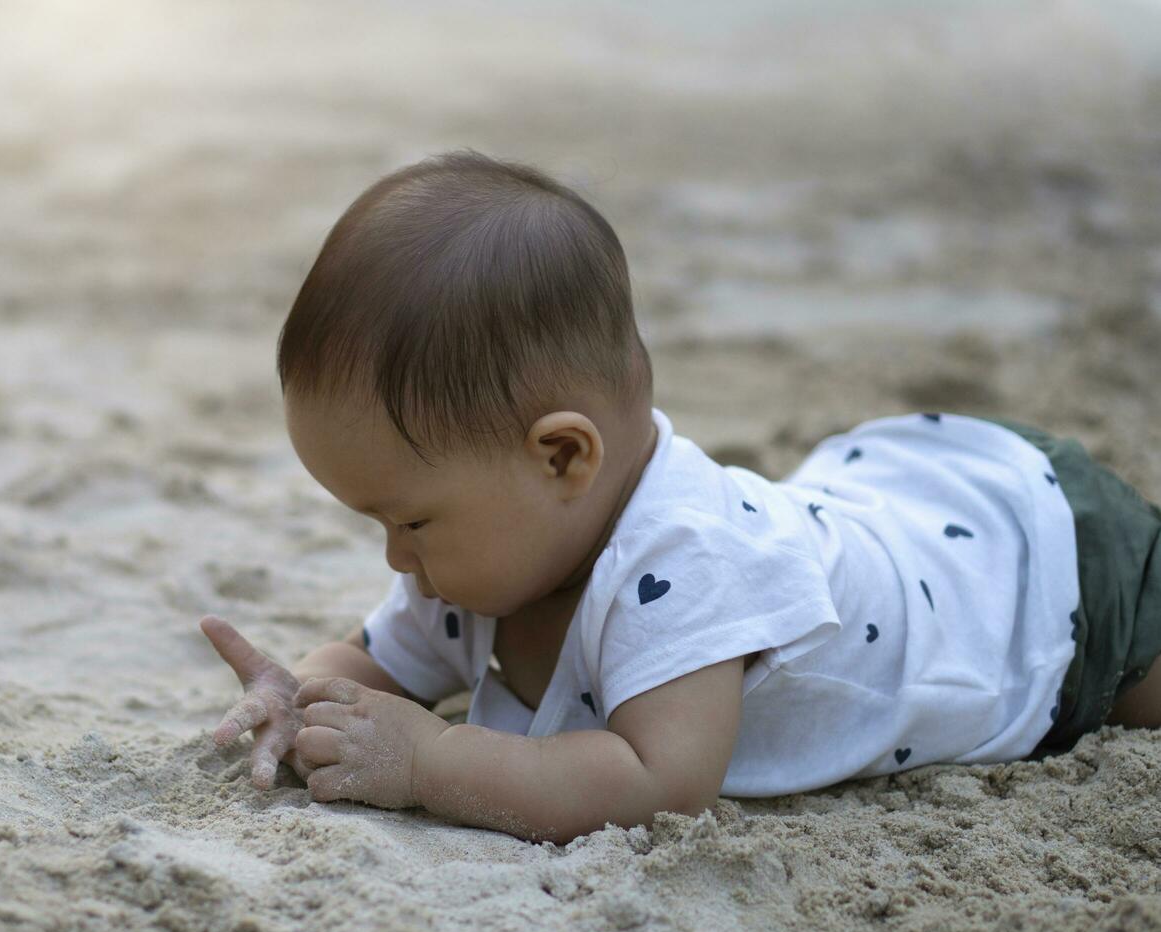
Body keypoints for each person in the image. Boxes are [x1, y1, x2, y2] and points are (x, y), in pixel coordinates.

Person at [200, 150, 1161, 845]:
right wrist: (304, 693)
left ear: (563, 458)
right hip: (897, 512)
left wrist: (429, 765)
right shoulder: (482, 561)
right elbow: (381, 664)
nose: (396, 559)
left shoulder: (686, 563)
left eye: (408, 520)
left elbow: (655, 780)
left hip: (1039, 581)